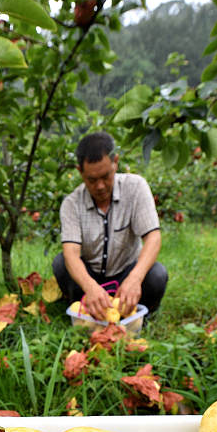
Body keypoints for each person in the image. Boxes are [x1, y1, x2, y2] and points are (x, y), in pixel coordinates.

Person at [54, 131, 167, 322]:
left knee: (157, 275)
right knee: (61, 264)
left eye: (106, 176)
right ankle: (86, 309)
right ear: (80, 171)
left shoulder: (136, 187)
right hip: (90, 276)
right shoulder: (71, 204)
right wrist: (90, 286)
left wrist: (135, 278)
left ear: (115, 162)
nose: (100, 186)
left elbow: (153, 237)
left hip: (126, 273)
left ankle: (139, 316)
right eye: (91, 179)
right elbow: (70, 253)